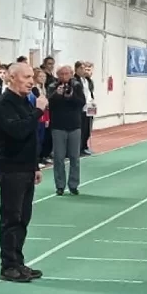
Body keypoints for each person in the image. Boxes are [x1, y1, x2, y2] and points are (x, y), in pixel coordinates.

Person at [0, 62, 48, 283]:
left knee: (23, 218)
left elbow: (31, 138)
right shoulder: (3, 104)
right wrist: (39, 111)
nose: (31, 81)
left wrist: (34, 166)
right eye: (26, 77)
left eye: (32, 77)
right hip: (10, 168)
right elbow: (19, 131)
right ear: (11, 78)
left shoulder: (24, 102)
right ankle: (8, 265)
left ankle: (18, 261)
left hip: (25, 168)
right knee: (11, 218)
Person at [48, 65, 86, 196]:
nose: (64, 76)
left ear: (71, 74)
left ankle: (73, 185)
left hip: (74, 125)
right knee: (58, 157)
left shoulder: (77, 86)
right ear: (58, 75)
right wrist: (57, 95)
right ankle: (60, 185)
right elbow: (49, 103)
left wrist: (71, 96)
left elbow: (81, 102)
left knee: (75, 157)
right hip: (58, 126)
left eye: (67, 73)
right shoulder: (52, 86)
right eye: (61, 74)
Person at [74, 61, 96, 156]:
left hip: (89, 107)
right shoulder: (75, 80)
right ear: (77, 69)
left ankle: (84, 146)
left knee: (87, 128)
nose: (84, 71)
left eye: (85, 69)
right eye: (82, 68)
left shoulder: (87, 80)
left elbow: (89, 93)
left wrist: (92, 101)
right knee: (81, 129)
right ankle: (78, 148)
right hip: (80, 108)